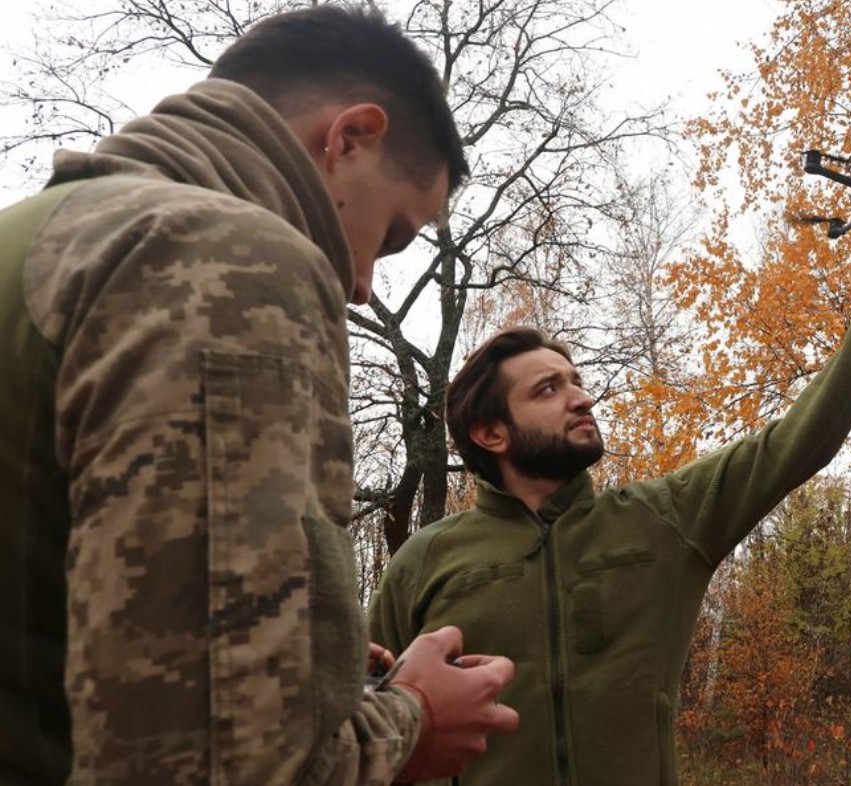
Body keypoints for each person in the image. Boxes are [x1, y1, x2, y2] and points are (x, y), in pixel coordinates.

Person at [0, 5, 519, 786]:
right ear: (350, 138)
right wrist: (412, 722)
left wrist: (313, 661)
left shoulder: (36, 239)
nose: (361, 285)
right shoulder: (223, 256)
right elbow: (211, 756)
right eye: (390, 238)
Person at [370, 231, 851, 785]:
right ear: (491, 433)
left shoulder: (662, 519)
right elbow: (364, 723)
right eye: (547, 390)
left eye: (576, 382)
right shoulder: (424, 562)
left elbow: (792, 444)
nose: (582, 397)